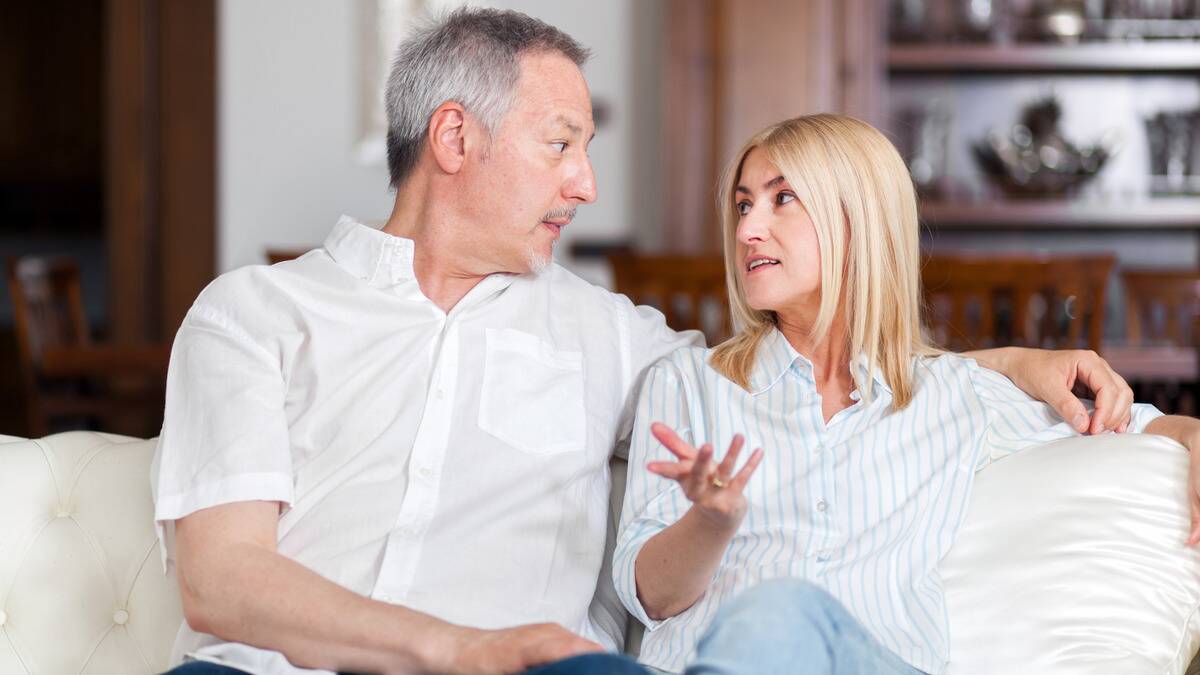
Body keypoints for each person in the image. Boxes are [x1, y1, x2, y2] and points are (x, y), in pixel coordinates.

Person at [153, 10, 1140, 675]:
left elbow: (809, 370)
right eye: (561, 143)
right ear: (455, 141)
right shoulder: (251, 317)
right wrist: (457, 647)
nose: (585, 184)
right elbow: (223, 578)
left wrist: (1022, 371)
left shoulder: (615, 340)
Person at [613, 114, 1200, 675]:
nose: (747, 229)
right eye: (743, 204)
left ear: (857, 218)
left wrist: (1193, 431)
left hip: (870, 663)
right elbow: (654, 599)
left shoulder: (956, 396)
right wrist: (712, 522)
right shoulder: (686, 383)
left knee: (780, 611)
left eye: (781, 198)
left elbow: (1130, 424)